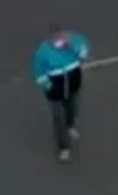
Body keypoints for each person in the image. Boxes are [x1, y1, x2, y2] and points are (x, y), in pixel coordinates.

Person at [32, 26, 92, 162]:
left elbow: (83, 55)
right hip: (56, 91)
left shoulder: (77, 41)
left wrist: (71, 47)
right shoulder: (43, 53)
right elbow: (39, 73)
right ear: (52, 37)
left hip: (73, 86)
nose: (63, 39)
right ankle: (64, 147)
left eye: (65, 35)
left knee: (73, 110)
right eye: (59, 37)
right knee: (59, 119)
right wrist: (49, 86)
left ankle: (70, 126)